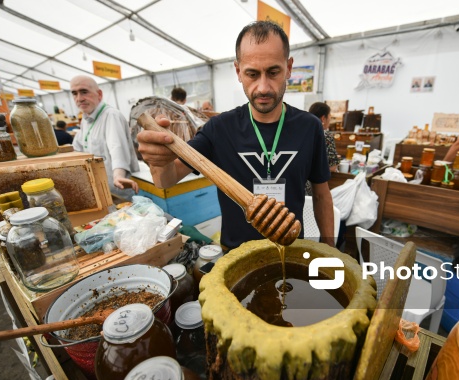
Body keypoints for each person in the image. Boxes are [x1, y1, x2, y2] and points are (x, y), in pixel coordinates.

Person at [137, 21, 334, 250]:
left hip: (291, 251)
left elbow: (321, 196)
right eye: (252, 73)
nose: (262, 87)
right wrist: (158, 160)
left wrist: (331, 250)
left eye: (273, 72)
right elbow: (166, 180)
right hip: (235, 256)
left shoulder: (309, 127)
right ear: (238, 71)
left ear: (288, 68)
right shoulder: (219, 129)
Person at [70, 75, 140, 200]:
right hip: (101, 189)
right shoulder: (86, 119)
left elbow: (117, 148)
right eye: (74, 94)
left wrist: (118, 175)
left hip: (119, 190)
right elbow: (78, 147)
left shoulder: (111, 116)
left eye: (84, 92)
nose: (79, 98)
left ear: (99, 94)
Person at [306, 102, 339, 195]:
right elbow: (332, 167)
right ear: (323, 118)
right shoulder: (326, 135)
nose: (330, 120)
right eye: (330, 117)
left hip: (297, 184)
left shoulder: (301, 131)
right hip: (313, 186)